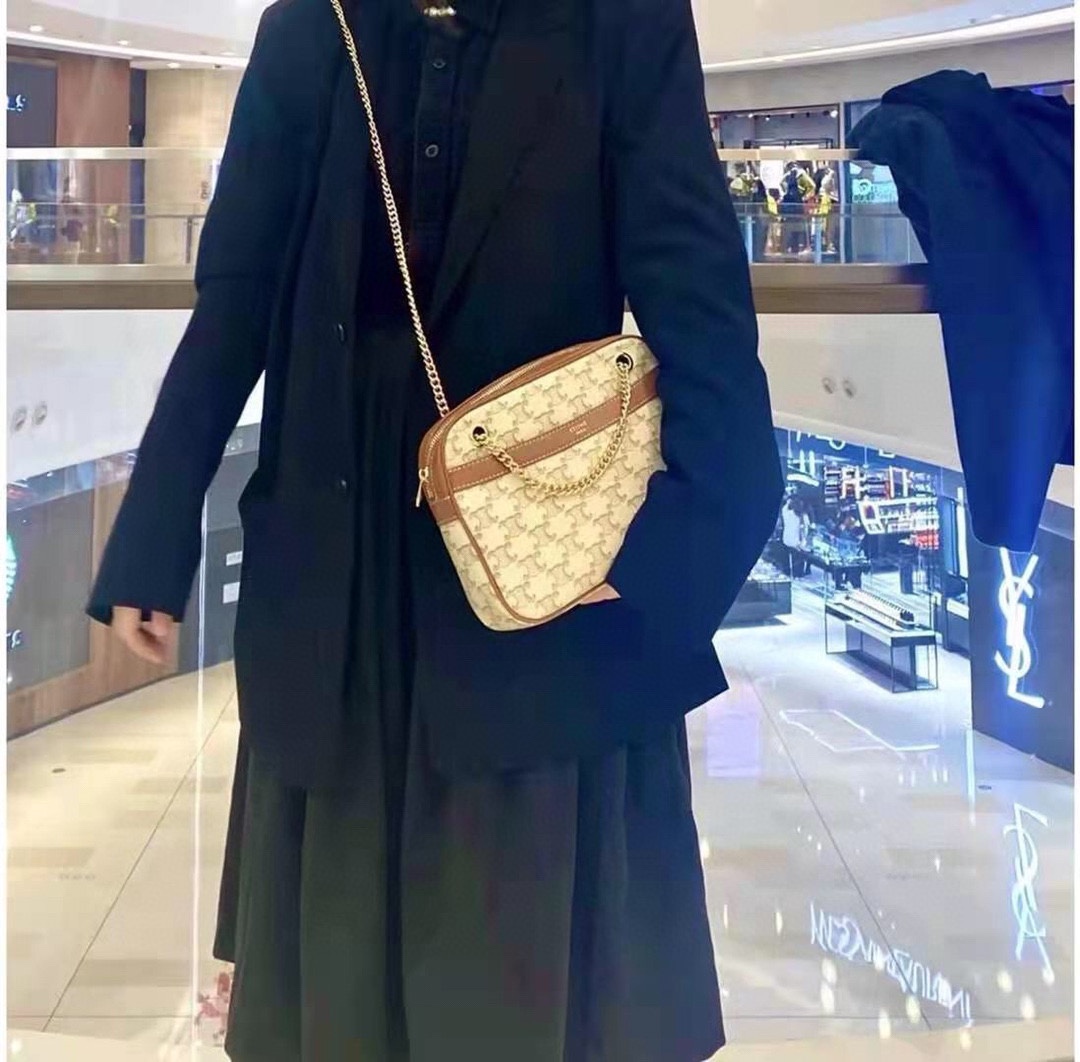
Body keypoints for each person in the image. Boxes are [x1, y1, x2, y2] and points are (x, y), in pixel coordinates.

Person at [87, 0, 783, 1059]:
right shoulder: (309, 28)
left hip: (540, 573)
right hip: (337, 588)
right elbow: (235, 296)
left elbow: (698, 292)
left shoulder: (618, 23)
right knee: (343, 985)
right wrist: (155, 523)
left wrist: (681, 551)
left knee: (523, 968)